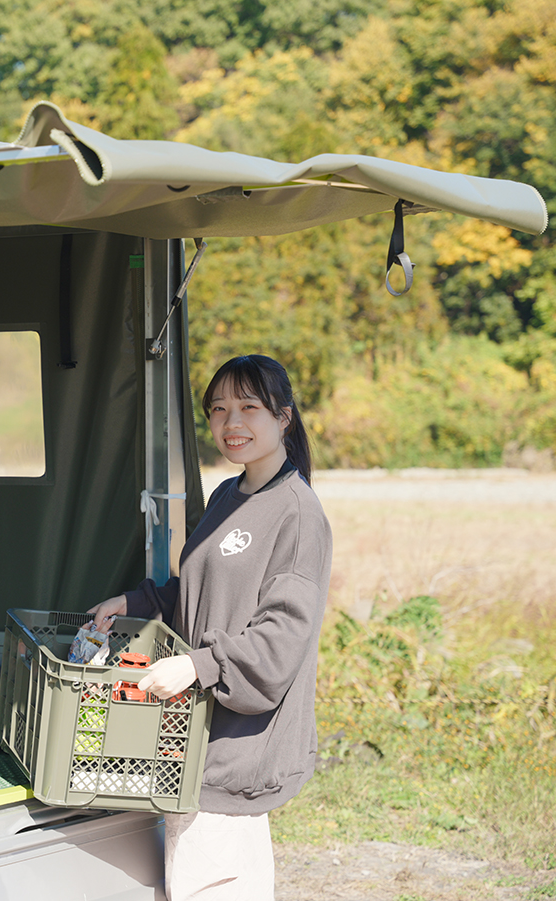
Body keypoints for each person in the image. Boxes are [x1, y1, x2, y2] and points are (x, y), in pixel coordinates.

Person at [87, 354, 331, 901]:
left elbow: (279, 643)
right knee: (190, 879)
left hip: (236, 744)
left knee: (211, 883)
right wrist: (138, 599)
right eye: (218, 410)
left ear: (284, 416)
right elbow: (201, 588)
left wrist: (198, 665)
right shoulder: (227, 495)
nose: (231, 424)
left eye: (248, 407)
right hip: (194, 729)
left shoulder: (297, 514)